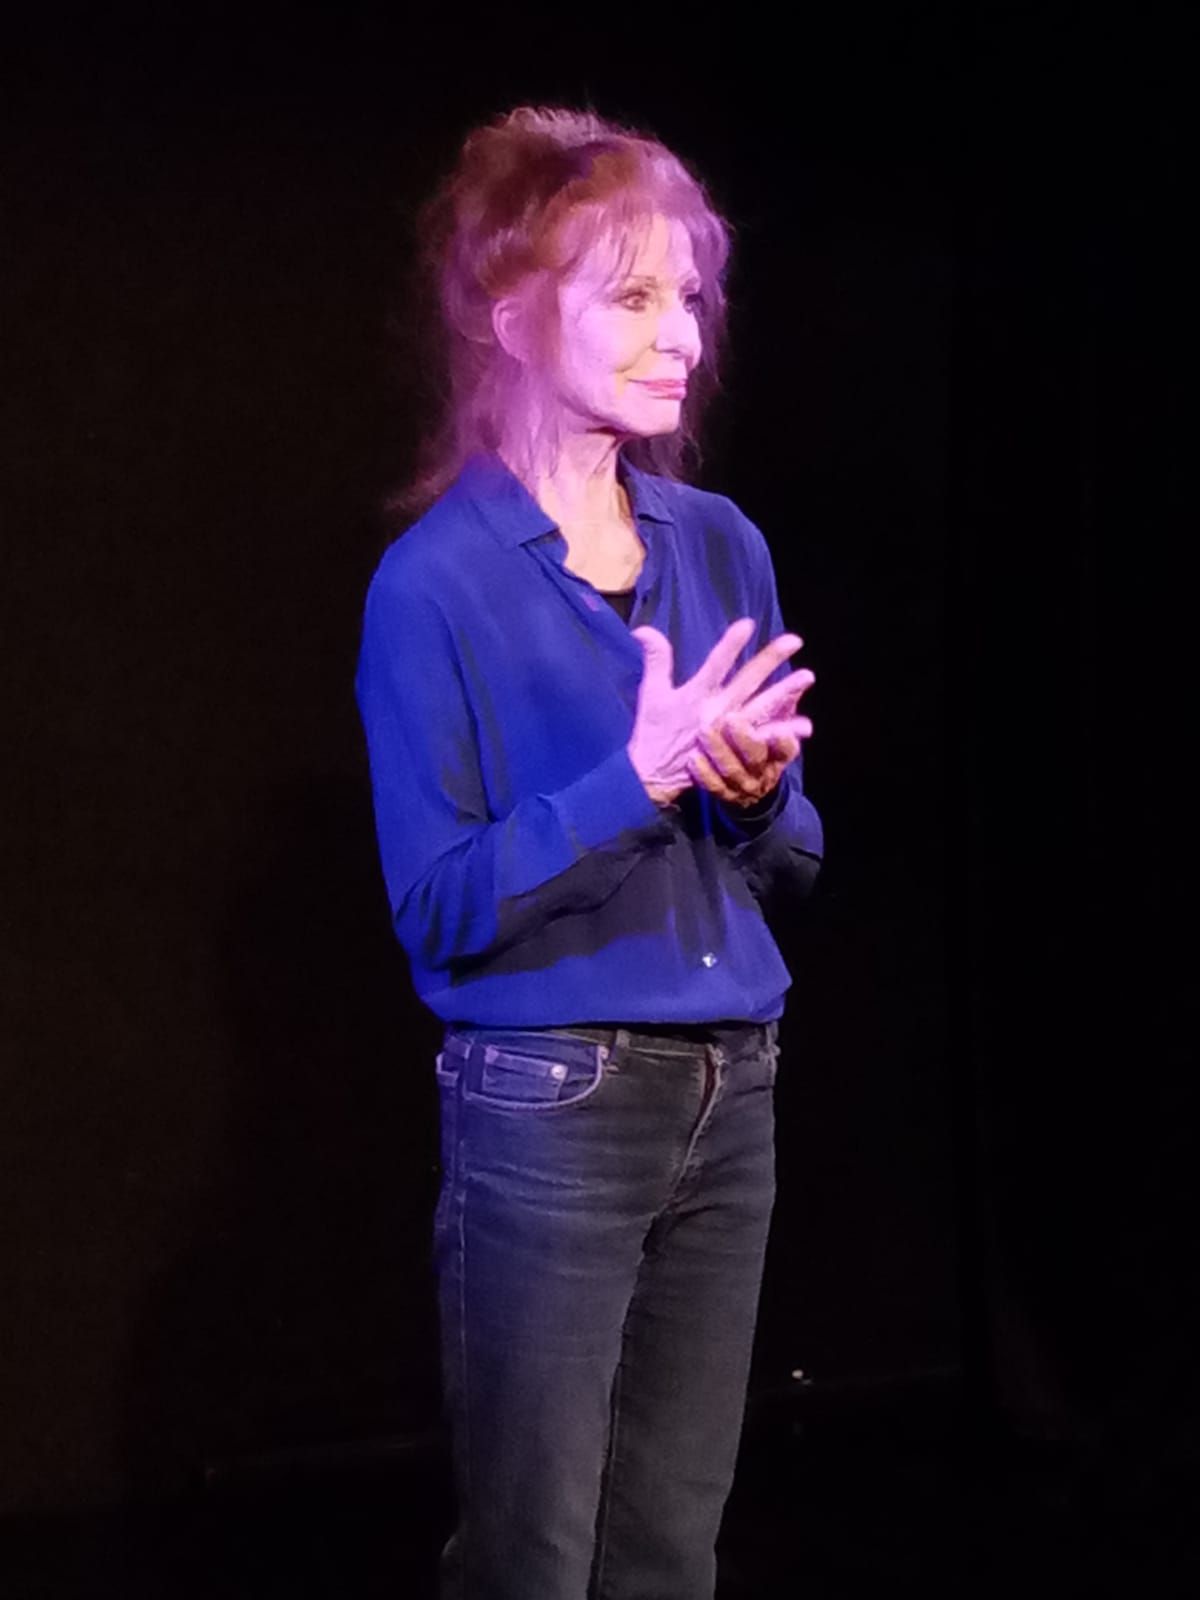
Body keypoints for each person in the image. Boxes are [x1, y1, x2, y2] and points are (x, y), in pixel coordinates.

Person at [356, 105, 823, 1600]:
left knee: (668, 1552)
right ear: (511, 314)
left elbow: (795, 858)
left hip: (730, 1085)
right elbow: (436, 910)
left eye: (690, 293)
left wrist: (751, 796)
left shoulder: (719, 544)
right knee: (534, 1558)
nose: (679, 330)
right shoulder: (433, 584)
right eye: (631, 294)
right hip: (552, 1105)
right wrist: (638, 777)